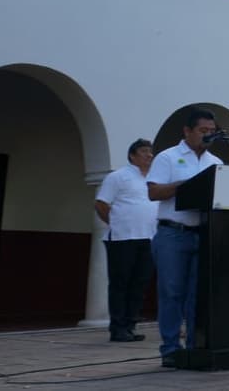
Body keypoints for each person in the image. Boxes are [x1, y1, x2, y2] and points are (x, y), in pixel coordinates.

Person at [147, 109, 222, 367]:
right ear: (187, 131)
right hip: (173, 234)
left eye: (212, 131)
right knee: (171, 292)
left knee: (196, 296)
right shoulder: (168, 157)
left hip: (203, 234)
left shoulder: (216, 162)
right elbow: (154, 192)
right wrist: (185, 186)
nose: (208, 135)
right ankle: (170, 349)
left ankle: (193, 347)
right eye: (203, 131)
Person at [94, 138, 158, 342]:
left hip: (148, 238)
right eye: (144, 151)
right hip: (122, 239)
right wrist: (117, 224)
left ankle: (130, 325)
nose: (149, 155)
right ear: (132, 155)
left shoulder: (153, 179)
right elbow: (101, 204)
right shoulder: (118, 176)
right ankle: (118, 328)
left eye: (150, 152)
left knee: (140, 283)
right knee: (120, 283)